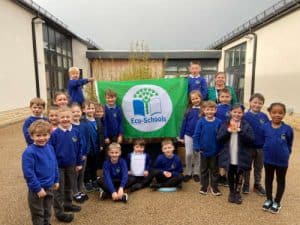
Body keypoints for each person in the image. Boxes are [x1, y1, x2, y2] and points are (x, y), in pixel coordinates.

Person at [22, 120, 59, 225]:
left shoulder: (50, 148)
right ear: (32, 136)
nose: (42, 138)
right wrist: (38, 188)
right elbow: (28, 173)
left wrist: (56, 179)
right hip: (37, 190)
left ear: (49, 135)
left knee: (47, 210)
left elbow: (54, 164)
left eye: (45, 135)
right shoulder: (29, 152)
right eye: (38, 135)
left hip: (50, 186)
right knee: (38, 213)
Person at [49, 106, 83, 223]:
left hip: (72, 165)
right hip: (58, 166)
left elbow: (80, 149)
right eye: (62, 117)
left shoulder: (76, 132)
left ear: (71, 117)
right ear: (58, 118)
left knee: (69, 185)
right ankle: (59, 212)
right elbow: (50, 151)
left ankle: (68, 204)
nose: (65, 119)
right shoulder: (54, 134)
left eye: (67, 117)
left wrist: (79, 163)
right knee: (59, 189)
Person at [217, 104, 254, 204]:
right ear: (230, 112)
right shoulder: (225, 124)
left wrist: (241, 131)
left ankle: (237, 193)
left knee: (240, 174)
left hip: (241, 155)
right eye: (235, 112)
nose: (237, 114)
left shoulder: (246, 125)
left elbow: (251, 140)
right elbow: (219, 138)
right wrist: (228, 132)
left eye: (239, 112)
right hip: (229, 155)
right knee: (230, 173)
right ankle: (231, 192)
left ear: (243, 113)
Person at [262, 103, 293, 214]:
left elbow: (289, 143)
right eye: (274, 112)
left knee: (280, 180)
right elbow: (262, 141)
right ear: (270, 113)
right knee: (268, 179)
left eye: (280, 113)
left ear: (284, 114)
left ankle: (277, 202)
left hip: (282, 161)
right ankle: (269, 199)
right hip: (268, 159)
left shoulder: (288, 129)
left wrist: (287, 153)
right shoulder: (265, 126)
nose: (277, 115)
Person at [193, 101, 222, 196]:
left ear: (216, 110)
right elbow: (196, 135)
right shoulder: (200, 121)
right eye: (207, 109)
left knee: (214, 170)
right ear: (203, 110)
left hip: (215, 151)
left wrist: (220, 149)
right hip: (203, 150)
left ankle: (214, 186)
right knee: (204, 169)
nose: (210, 111)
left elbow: (221, 136)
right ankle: (204, 186)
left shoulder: (219, 122)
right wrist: (197, 146)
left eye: (212, 109)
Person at [242, 93, 269, 195]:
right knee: (247, 167)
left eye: (260, 103)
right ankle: (246, 184)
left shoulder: (264, 116)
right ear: (250, 102)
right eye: (255, 102)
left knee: (259, 167)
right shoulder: (245, 116)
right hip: (248, 147)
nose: (257, 105)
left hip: (261, 148)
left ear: (262, 104)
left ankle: (257, 185)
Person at [178, 90, 202, 182]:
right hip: (188, 135)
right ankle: (188, 172)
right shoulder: (188, 110)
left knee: (197, 154)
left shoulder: (203, 110)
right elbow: (184, 123)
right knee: (188, 154)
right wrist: (181, 136)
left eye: (197, 98)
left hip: (198, 136)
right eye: (193, 99)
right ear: (190, 100)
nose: (195, 100)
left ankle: (196, 172)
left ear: (200, 98)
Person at [82, 101, 105, 192]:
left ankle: (94, 180)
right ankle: (87, 181)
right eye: (88, 108)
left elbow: (101, 134)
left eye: (92, 108)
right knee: (87, 165)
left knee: (95, 165)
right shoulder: (83, 120)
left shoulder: (97, 120)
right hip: (88, 147)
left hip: (96, 146)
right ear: (84, 110)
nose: (90, 110)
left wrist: (101, 144)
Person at [71, 103, 90, 203]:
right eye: (73, 112)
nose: (75, 113)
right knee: (75, 174)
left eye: (77, 111)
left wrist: (85, 153)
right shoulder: (70, 127)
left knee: (82, 173)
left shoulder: (84, 125)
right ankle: (75, 192)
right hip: (74, 156)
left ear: (81, 112)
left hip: (83, 156)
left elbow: (87, 140)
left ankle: (80, 190)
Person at [215, 88, 232, 185]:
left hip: (229, 136)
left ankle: (225, 176)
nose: (224, 99)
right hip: (218, 135)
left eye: (227, 97)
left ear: (230, 97)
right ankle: (220, 175)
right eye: (222, 96)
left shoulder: (232, 108)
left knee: (227, 156)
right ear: (219, 97)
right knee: (219, 155)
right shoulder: (216, 108)